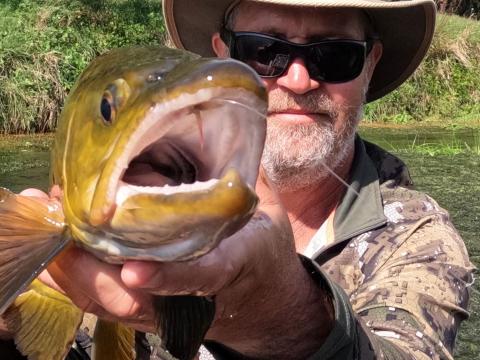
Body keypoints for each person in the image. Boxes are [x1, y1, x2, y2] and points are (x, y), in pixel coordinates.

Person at [2, 0, 475, 359]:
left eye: (334, 55)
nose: (297, 79)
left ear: (369, 65)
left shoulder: (420, 241)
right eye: (264, 50)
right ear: (223, 53)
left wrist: (281, 315)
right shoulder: (70, 216)